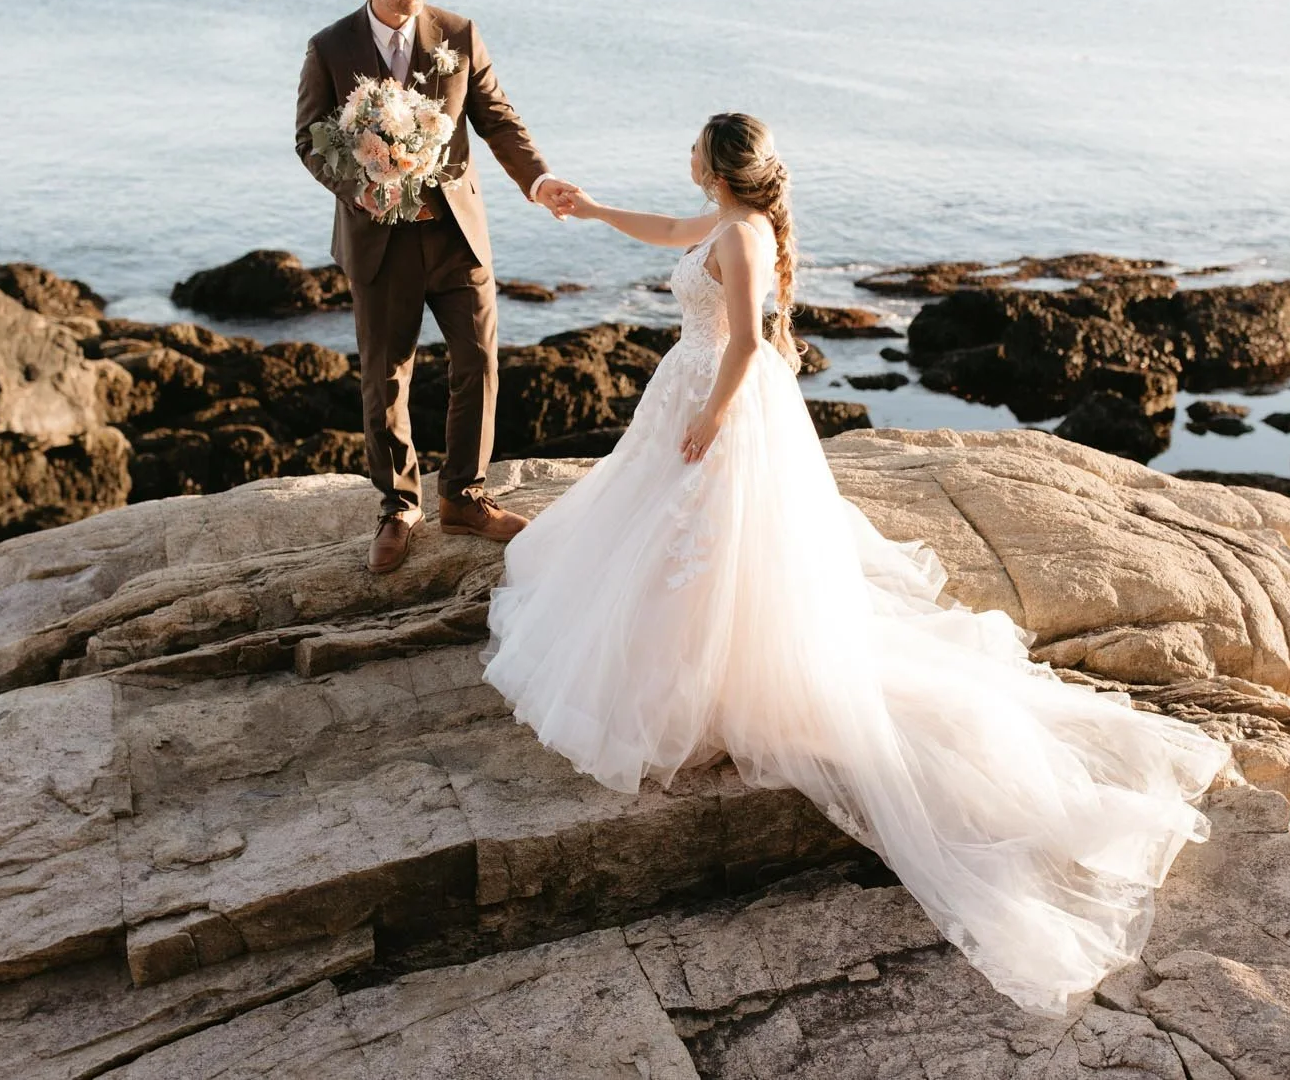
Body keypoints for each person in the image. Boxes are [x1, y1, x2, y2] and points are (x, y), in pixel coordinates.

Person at [483, 113, 1233, 1017]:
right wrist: (595, 209)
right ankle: (689, 665)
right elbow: (671, 232)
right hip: (689, 391)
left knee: (708, 545)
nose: (683, 159)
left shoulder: (746, 232)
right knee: (667, 543)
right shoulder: (722, 222)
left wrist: (713, 419)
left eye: (692, 149)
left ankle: (705, 677)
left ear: (718, 169)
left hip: (721, 404)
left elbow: (753, 342)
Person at [295, 0, 563, 574]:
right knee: (386, 376)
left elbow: (496, 116)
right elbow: (309, 137)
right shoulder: (330, 47)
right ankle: (398, 506)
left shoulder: (459, 35)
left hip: (456, 234)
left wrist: (540, 179)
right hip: (379, 240)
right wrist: (360, 188)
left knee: (478, 361)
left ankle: (465, 496)